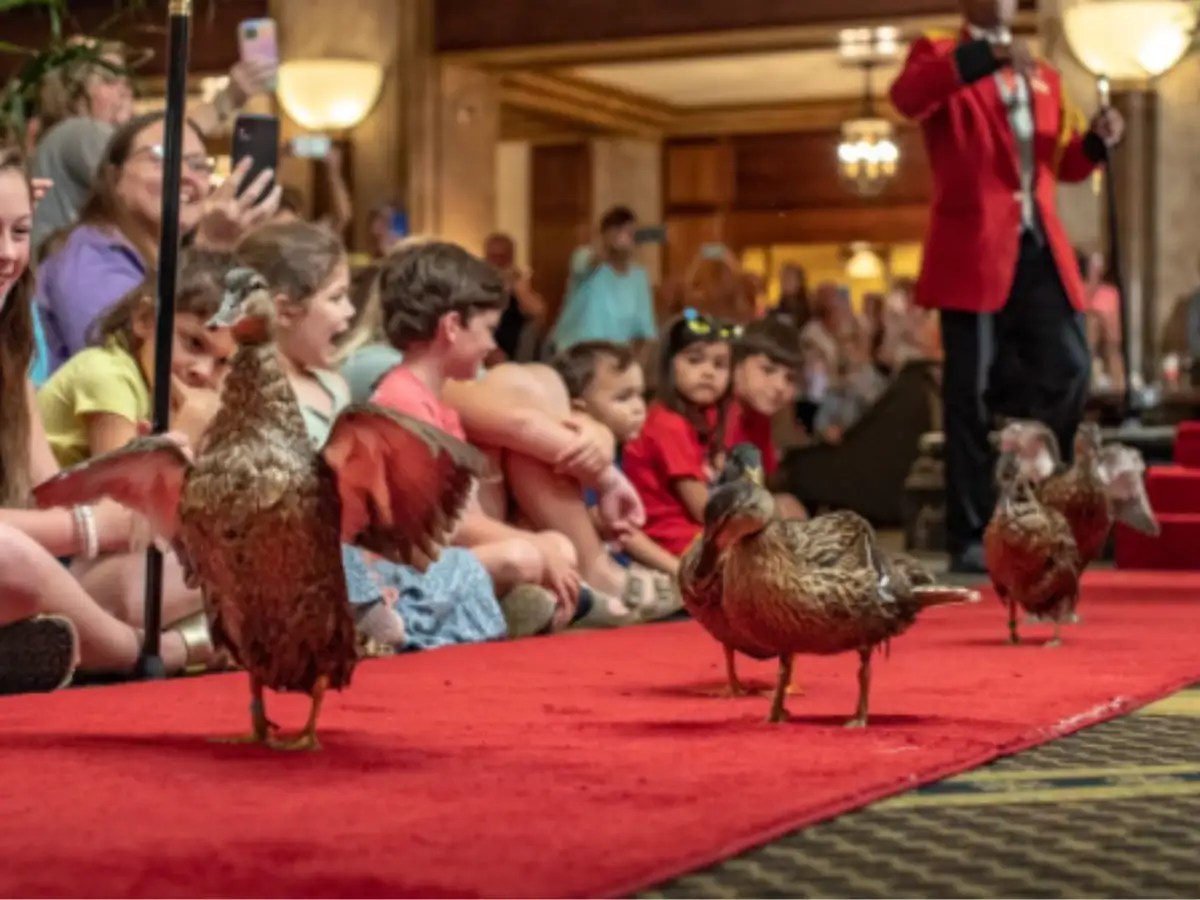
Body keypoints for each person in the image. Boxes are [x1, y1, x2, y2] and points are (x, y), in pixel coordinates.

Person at [889, 0, 1124, 573]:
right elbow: (908, 98)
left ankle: (1035, 494)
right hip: (970, 246)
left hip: (1038, 243)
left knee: (1070, 366)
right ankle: (967, 533)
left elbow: (1061, 164)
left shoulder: (1043, 74)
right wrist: (983, 57)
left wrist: (1094, 143)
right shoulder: (942, 53)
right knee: (965, 395)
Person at [233, 221, 512, 649]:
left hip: (358, 554)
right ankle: (384, 624)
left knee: (463, 572)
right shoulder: (245, 390)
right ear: (284, 310)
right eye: (337, 298)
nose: (350, 313)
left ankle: (388, 624)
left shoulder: (334, 387)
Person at [35, 111, 280, 374]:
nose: (185, 175)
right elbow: (135, 372)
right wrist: (208, 250)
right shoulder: (89, 257)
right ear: (114, 177)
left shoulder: (166, 258)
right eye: (162, 158)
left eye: (198, 165)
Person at [37, 249, 235, 467]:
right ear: (145, 319)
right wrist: (190, 427)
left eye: (223, 361)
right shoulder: (108, 376)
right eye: (194, 343)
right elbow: (123, 492)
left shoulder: (163, 391)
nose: (204, 371)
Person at [551, 340, 680, 576]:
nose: (639, 408)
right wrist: (678, 570)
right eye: (623, 398)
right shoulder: (585, 454)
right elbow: (614, 526)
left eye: (640, 395)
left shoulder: (621, 450)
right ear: (580, 408)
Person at [622, 309, 735, 557]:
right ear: (668, 364)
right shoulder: (667, 423)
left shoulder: (705, 416)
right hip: (670, 539)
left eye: (719, 365)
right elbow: (702, 509)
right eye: (695, 360)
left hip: (694, 534)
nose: (708, 372)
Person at [725, 317, 808, 520]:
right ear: (736, 366)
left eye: (789, 378)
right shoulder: (721, 416)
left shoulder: (759, 416)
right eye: (768, 370)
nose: (780, 386)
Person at [550, 205, 657, 352]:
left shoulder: (639, 277)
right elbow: (590, 262)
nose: (624, 238)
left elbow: (644, 331)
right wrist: (607, 245)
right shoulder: (584, 258)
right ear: (604, 235)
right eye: (617, 231)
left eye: (630, 233)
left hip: (615, 358)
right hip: (575, 352)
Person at [483, 232, 546, 363]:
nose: (497, 262)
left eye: (502, 257)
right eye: (493, 257)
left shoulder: (519, 283)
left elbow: (538, 312)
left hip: (515, 355)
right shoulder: (477, 284)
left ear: (511, 258)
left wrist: (516, 286)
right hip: (485, 351)